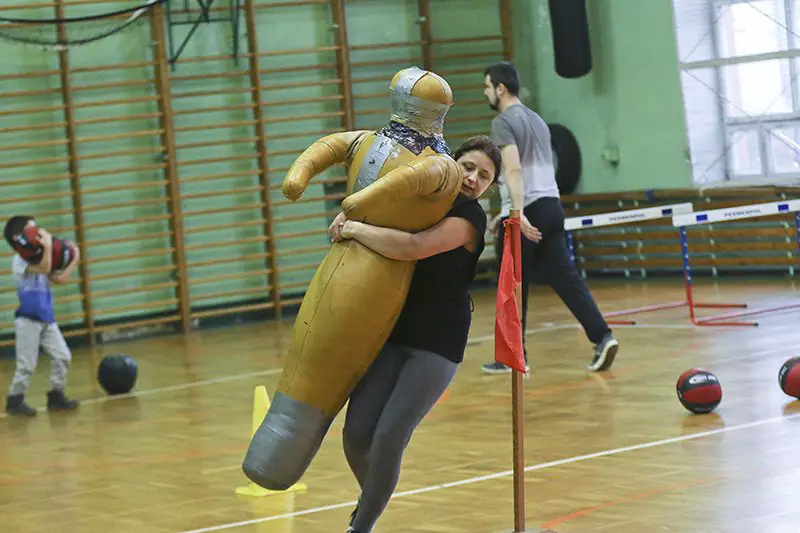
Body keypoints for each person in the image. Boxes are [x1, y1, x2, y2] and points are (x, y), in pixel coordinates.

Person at [328, 136, 538, 533]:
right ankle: (371, 500)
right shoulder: (421, 198)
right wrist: (349, 218)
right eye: (468, 167)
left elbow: (413, 246)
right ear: (451, 162)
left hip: (438, 343)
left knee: (389, 435)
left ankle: (362, 526)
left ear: (490, 186)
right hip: (393, 331)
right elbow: (381, 207)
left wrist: (354, 229)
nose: (473, 178)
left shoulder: (471, 218)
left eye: (484, 176)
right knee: (356, 435)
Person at [478, 62, 619, 374]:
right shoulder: (537, 120)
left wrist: (516, 214)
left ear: (500, 88)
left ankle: (512, 356)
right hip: (552, 207)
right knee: (566, 278)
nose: (485, 93)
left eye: (487, 87)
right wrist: (504, 212)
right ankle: (602, 336)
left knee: (511, 283)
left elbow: (514, 170)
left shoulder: (503, 122)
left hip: (527, 209)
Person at [3, 215, 80, 416]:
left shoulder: (40, 256)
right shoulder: (19, 261)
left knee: (63, 356)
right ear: (19, 238)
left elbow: (60, 279)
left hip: (47, 317)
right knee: (26, 364)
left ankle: (56, 395)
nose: (39, 233)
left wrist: (73, 260)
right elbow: (44, 268)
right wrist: (47, 245)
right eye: (33, 230)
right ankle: (15, 400)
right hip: (28, 319)